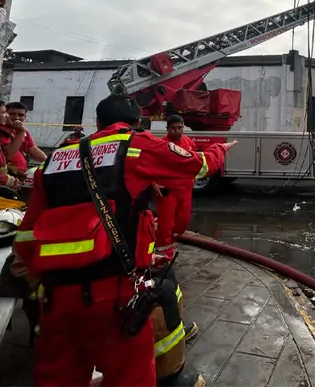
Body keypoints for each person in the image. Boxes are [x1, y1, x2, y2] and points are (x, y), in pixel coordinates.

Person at [12, 93, 236, 386]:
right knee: (130, 376)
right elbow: (199, 166)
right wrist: (221, 148)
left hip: (56, 302)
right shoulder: (136, 145)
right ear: (136, 122)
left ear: (97, 122)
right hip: (114, 300)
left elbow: (26, 241)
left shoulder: (53, 161)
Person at [154, 115, 198, 261]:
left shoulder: (189, 143)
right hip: (168, 191)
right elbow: (150, 166)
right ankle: (164, 254)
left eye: (180, 128)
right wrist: (153, 183)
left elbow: (194, 163)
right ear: (167, 129)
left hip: (185, 190)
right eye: (174, 128)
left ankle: (161, 239)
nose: (177, 131)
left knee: (182, 223)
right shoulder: (161, 145)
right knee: (166, 224)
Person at [3, 101, 47, 183]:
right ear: (5, 114)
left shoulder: (24, 132)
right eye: (12, 114)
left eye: (21, 115)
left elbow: (34, 150)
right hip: (7, 179)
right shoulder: (3, 131)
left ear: (25, 116)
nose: (16, 117)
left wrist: (49, 162)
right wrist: (20, 133)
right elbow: (8, 155)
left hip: (20, 178)